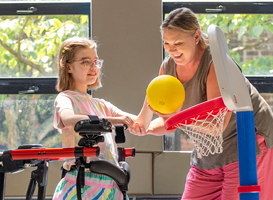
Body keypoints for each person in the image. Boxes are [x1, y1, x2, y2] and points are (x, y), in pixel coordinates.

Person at [129, 7, 273, 200]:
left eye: (178, 42)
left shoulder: (215, 63)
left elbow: (216, 125)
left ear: (196, 36)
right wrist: (146, 128)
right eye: (166, 43)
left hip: (248, 143)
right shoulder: (168, 67)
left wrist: (174, 119)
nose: (172, 49)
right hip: (209, 153)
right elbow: (167, 124)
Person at [52, 37, 135, 200]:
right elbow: (68, 118)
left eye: (96, 61)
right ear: (68, 67)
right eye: (85, 62)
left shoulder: (102, 105)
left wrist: (152, 101)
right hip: (81, 185)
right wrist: (113, 121)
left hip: (111, 186)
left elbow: (137, 123)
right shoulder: (66, 98)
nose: (93, 67)